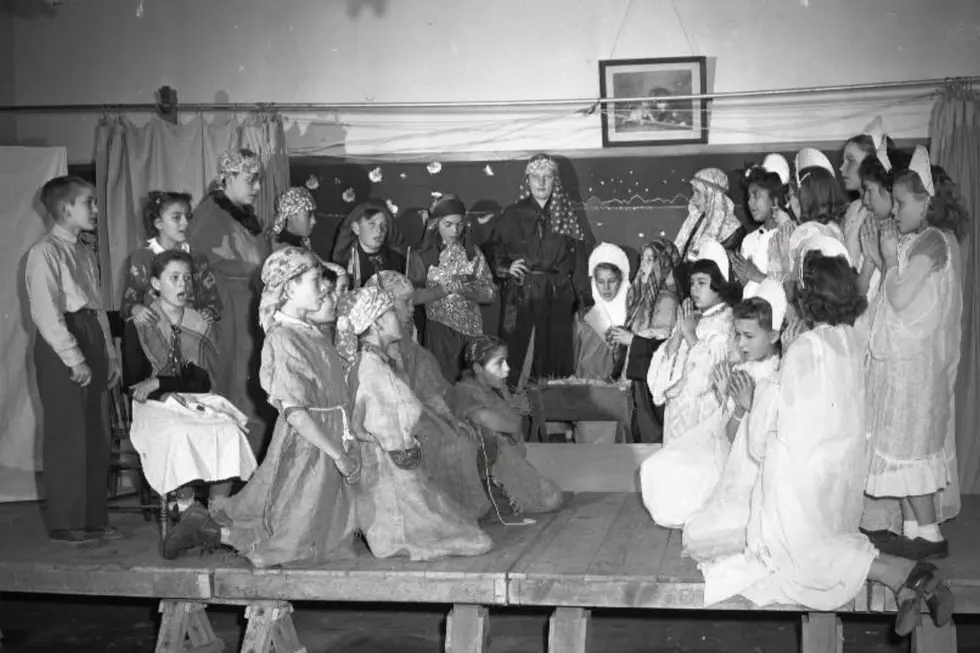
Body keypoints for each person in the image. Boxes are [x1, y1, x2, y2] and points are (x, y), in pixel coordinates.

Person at [695, 242, 953, 638]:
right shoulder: (849, 340)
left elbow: (771, 433)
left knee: (799, 558)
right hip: (840, 474)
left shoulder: (805, 348)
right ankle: (910, 583)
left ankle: (910, 578)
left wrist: (751, 401)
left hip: (801, 476)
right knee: (827, 542)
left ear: (809, 300)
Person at [161, 247, 359, 566]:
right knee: (292, 534)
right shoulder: (282, 339)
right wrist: (336, 453)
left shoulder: (311, 333)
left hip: (328, 437)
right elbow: (295, 410)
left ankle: (209, 525)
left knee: (322, 531)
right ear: (289, 288)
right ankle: (210, 531)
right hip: (308, 445)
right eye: (314, 280)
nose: (323, 287)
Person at [864, 147, 968, 560]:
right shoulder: (918, 241)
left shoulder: (932, 242)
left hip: (918, 370)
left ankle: (930, 534)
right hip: (905, 366)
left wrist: (888, 261)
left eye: (903, 202)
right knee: (901, 445)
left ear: (927, 202)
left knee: (912, 449)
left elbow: (903, 297)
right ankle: (914, 530)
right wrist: (883, 258)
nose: (898, 210)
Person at [338, 286, 493, 560]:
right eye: (391, 313)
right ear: (376, 323)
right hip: (390, 468)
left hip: (399, 460)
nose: (400, 317)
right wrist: (400, 447)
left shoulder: (381, 362)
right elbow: (371, 422)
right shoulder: (371, 367)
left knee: (462, 529)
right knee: (465, 537)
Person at [26, 176, 121, 543]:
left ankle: (94, 517)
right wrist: (73, 358)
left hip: (91, 340)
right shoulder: (44, 252)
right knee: (67, 433)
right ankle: (67, 521)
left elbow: (96, 307)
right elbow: (48, 313)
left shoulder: (82, 251)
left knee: (97, 432)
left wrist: (108, 355)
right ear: (66, 208)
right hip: (63, 343)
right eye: (89, 203)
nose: (95, 210)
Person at [123, 250, 244, 511]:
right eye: (174, 277)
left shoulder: (200, 323)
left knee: (229, 428)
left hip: (193, 399)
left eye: (187, 279)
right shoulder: (139, 325)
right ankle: (186, 507)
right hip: (153, 406)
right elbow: (135, 384)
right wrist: (164, 388)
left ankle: (217, 508)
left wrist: (159, 382)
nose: (183, 285)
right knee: (177, 432)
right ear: (156, 284)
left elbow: (201, 382)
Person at [365, 271, 491, 520]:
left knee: (460, 435)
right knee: (447, 444)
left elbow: (428, 388)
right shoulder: (370, 351)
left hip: (418, 415)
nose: (413, 309)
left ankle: (461, 511)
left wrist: (448, 417)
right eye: (406, 303)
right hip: (389, 427)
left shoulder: (408, 346)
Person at [639, 241, 741, 527]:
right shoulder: (692, 315)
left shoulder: (727, 322)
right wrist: (678, 335)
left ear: (719, 284)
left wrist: (691, 337)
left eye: (702, 282)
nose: (694, 289)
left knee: (702, 468)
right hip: (681, 406)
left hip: (705, 407)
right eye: (692, 283)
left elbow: (713, 373)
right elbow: (666, 368)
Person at [682, 281, 784, 562]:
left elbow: (766, 442)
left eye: (749, 336)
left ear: (774, 335)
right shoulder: (745, 370)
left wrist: (749, 405)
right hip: (737, 463)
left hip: (763, 478)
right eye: (737, 335)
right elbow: (731, 434)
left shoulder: (776, 378)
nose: (740, 344)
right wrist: (732, 400)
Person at [187, 148, 272, 453]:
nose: (257, 188)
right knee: (235, 389)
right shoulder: (209, 215)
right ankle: (232, 479)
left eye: (258, 180)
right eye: (251, 180)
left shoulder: (249, 217)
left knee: (253, 389)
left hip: (251, 313)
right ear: (229, 177)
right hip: (230, 317)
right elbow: (200, 271)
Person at [487, 153, 593, 385]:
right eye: (536, 176)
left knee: (555, 356)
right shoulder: (512, 214)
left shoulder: (567, 215)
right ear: (528, 180)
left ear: (555, 180)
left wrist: (583, 299)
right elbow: (492, 251)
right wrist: (506, 267)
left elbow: (579, 262)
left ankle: (554, 412)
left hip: (557, 296)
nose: (542, 182)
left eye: (547, 176)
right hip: (522, 294)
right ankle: (517, 409)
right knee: (518, 355)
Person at [448, 336, 564, 521]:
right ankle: (496, 499)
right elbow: (480, 416)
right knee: (551, 499)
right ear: (478, 368)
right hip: (491, 470)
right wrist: (514, 427)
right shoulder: (464, 390)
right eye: (499, 363)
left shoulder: (491, 390)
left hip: (508, 462)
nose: (507, 368)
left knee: (553, 496)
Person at [408, 193, 496, 382]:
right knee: (442, 383)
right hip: (438, 330)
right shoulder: (422, 255)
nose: (455, 230)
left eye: (459, 224)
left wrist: (469, 292)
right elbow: (411, 297)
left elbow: (491, 293)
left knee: (469, 385)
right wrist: (443, 290)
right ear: (435, 224)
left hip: (471, 331)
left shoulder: (473, 253)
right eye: (447, 224)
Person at [609, 239, 681, 443]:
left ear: (664, 264)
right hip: (637, 375)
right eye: (642, 259)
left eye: (650, 260)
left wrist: (632, 339)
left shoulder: (667, 300)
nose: (643, 266)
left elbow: (665, 346)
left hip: (652, 383)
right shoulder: (643, 297)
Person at [120, 191, 222, 327]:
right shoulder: (142, 258)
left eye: (188, 217)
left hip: (190, 333)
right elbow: (129, 302)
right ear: (158, 223)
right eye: (176, 218)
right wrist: (136, 309)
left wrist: (209, 312)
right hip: (154, 334)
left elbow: (212, 299)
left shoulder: (197, 258)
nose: (185, 223)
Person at [730, 165, 794, 295]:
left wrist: (756, 275)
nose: (749, 202)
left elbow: (793, 290)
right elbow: (745, 288)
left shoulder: (790, 234)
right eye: (748, 197)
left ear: (774, 199)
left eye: (756, 196)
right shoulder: (749, 240)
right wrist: (742, 280)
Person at [574, 242, 631, 381]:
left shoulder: (633, 315)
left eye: (611, 281)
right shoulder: (583, 317)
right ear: (594, 282)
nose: (606, 288)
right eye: (600, 281)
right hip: (587, 390)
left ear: (621, 280)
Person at [332, 201, 407, 289]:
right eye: (372, 224)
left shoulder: (397, 260)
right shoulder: (343, 262)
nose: (379, 230)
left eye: (384, 225)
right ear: (356, 228)